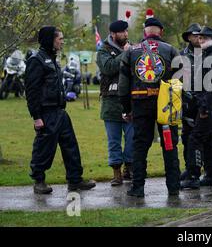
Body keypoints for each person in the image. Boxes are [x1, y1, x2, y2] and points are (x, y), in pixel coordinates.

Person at [25, 26, 96, 194]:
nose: (62, 41)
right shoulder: (37, 60)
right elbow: (32, 91)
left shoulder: (53, 58)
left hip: (60, 112)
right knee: (44, 147)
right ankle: (39, 181)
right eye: (60, 38)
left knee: (71, 146)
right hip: (46, 112)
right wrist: (36, 116)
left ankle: (75, 180)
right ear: (51, 40)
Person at [118, 16, 181, 197]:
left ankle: (138, 188)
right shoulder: (170, 50)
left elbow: (123, 85)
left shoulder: (131, 52)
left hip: (140, 105)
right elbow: (182, 80)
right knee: (169, 146)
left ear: (145, 31)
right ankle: (174, 187)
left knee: (140, 146)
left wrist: (126, 108)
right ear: (161, 32)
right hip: (166, 106)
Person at [181, 26, 212, 189]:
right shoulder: (209, 55)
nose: (200, 41)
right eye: (199, 38)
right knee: (209, 140)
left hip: (210, 106)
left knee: (196, 139)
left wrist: (204, 108)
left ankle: (193, 176)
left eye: (204, 38)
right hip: (211, 105)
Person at [96, 20, 134, 186]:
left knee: (132, 139)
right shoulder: (103, 50)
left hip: (130, 102)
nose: (126, 34)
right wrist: (124, 54)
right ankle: (116, 173)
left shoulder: (132, 47)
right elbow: (108, 67)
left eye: (126, 31)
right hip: (111, 104)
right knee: (114, 142)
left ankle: (129, 168)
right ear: (113, 34)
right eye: (122, 32)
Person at [179, 23, 202, 180]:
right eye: (194, 36)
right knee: (187, 138)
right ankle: (190, 169)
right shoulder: (181, 56)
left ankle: (207, 170)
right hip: (187, 103)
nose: (198, 39)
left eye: (200, 35)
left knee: (207, 138)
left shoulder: (208, 54)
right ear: (188, 37)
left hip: (205, 102)